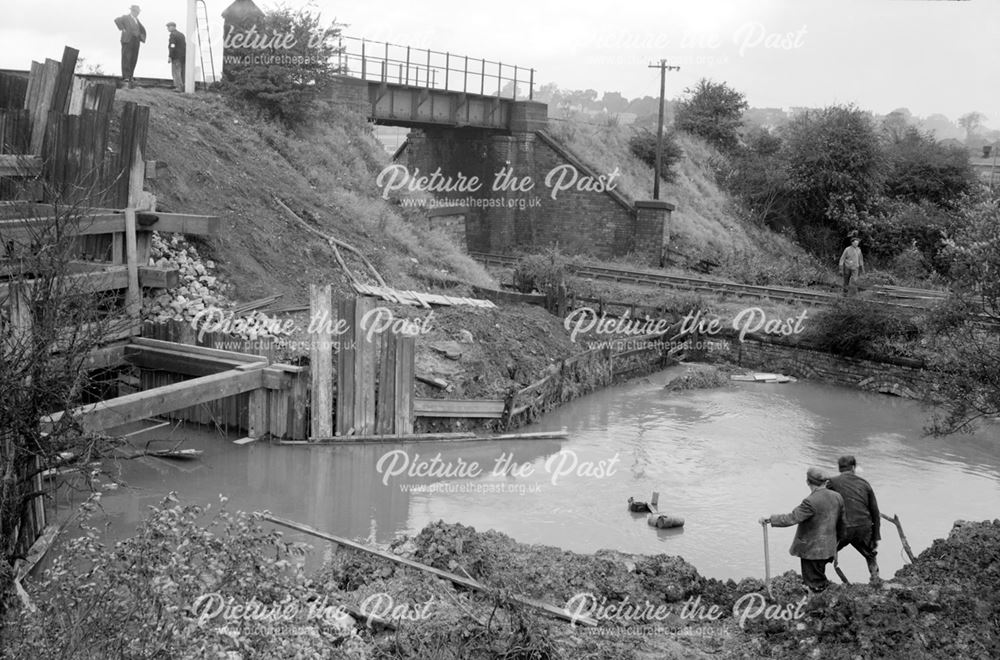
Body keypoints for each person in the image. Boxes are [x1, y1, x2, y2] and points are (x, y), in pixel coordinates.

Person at [760, 467, 845, 593]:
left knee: (813, 582)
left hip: (812, 550)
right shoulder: (837, 497)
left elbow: (792, 518)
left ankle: (817, 603)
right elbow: (842, 522)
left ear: (808, 482)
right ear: (825, 482)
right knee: (819, 575)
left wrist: (770, 519)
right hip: (829, 547)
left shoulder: (810, 501)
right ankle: (823, 594)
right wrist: (837, 543)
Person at [826, 455, 881, 586]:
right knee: (870, 555)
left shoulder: (832, 482)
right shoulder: (865, 483)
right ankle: (875, 580)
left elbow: (820, 501)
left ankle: (817, 583)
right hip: (864, 527)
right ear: (853, 468)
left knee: (824, 554)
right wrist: (876, 536)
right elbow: (875, 512)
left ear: (839, 469)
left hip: (844, 528)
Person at [115, 5, 146, 87]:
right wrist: (122, 29)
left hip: (136, 40)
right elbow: (117, 20)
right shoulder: (125, 17)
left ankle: (130, 76)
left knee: (134, 58)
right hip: (127, 40)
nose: (137, 13)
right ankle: (126, 76)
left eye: (138, 12)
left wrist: (141, 36)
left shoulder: (137, 20)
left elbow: (141, 29)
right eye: (136, 11)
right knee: (126, 57)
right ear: (132, 11)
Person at [167, 22, 186, 92]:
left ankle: (179, 87)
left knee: (176, 72)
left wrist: (170, 56)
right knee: (182, 72)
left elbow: (172, 45)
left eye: (168, 27)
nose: (167, 28)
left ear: (173, 27)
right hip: (183, 57)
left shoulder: (173, 35)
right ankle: (183, 86)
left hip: (176, 57)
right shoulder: (181, 35)